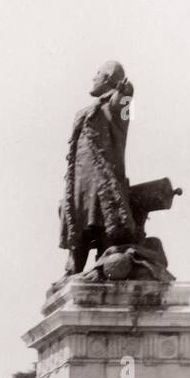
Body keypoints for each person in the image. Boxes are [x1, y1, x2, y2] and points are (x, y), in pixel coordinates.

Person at [58, 61, 139, 276]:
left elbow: (122, 105)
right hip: (79, 183)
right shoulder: (86, 111)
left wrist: (126, 94)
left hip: (102, 183)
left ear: (109, 78)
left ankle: (103, 264)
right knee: (77, 223)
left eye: (98, 73)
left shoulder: (115, 105)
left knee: (103, 222)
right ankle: (74, 266)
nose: (93, 78)